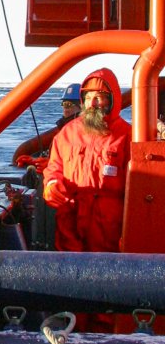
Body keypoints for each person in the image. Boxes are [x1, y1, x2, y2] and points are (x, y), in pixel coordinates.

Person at [42, 67, 131, 253]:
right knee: (69, 274)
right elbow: (54, 167)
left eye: (99, 97)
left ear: (112, 99)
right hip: (70, 223)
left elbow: (137, 187)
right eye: (88, 97)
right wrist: (51, 184)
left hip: (109, 230)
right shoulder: (68, 133)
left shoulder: (126, 135)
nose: (93, 103)